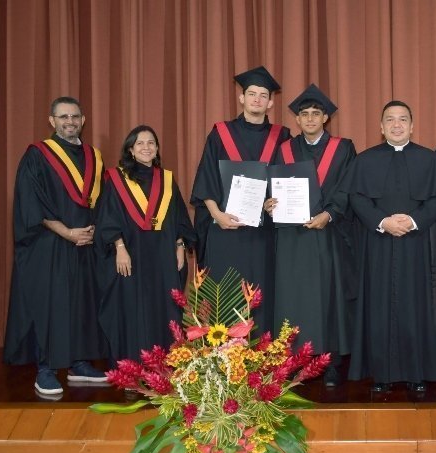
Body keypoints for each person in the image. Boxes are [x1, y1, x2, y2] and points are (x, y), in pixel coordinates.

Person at [4, 96, 108, 396]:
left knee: (81, 303)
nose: (70, 122)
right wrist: (66, 232)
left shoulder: (93, 156)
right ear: (52, 121)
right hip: (48, 244)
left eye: (75, 116)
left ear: (83, 119)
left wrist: (91, 231)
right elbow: (30, 201)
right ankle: (46, 369)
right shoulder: (38, 155)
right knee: (51, 304)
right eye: (63, 117)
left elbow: (101, 201)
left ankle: (78, 364)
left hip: (84, 243)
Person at [347, 101, 436, 393]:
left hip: (417, 242)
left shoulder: (429, 160)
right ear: (381, 127)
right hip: (378, 242)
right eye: (390, 120)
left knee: (417, 306)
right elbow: (356, 198)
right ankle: (381, 374)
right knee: (377, 306)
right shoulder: (365, 160)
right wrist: (382, 221)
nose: (397, 125)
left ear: (412, 125)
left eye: (403, 119)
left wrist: (414, 220)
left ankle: (417, 373)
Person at [264, 84, 357, 387]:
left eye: (316, 113)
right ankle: (293, 360)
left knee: (328, 297)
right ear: (298, 120)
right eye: (304, 114)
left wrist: (328, 214)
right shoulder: (285, 150)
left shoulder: (343, 148)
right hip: (293, 236)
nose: (310, 118)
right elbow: (273, 186)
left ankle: (328, 360)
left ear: (325, 118)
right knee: (293, 296)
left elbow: (347, 188)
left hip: (327, 231)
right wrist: (270, 202)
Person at [191, 66, 290, 334]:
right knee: (226, 291)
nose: (257, 99)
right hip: (226, 228)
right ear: (241, 98)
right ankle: (224, 358)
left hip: (263, 232)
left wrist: (274, 201)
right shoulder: (220, 133)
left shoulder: (282, 136)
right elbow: (206, 178)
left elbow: (285, 180)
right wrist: (217, 215)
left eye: (263, 95)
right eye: (252, 94)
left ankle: (263, 360)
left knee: (262, 291)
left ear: (270, 102)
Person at [95, 125, 197, 362]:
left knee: (164, 306)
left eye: (151, 142)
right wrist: (119, 248)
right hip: (131, 254)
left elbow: (178, 216)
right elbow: (108, 217)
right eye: (140, 143)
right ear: (130, 149)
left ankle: (166, 364)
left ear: (157, 148)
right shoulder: (117, 180)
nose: (146, 147)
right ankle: (133, 366)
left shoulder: (167, 180)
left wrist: (180, 246)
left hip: (162, 256)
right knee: (132, 307)